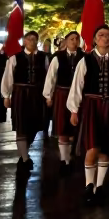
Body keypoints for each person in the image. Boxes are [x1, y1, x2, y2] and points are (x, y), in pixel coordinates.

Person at [68, 25, 109, 206]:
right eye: (101, 35)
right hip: (91, 106)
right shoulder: (85, 60)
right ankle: (89, 185)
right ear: (95, 39)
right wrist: (74, 109)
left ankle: (99, 187)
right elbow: (77, 85)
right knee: (92, 146)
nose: (105, 38)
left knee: (106, 148)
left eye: (108, 35)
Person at [1, 31, 48, 170]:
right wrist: (6, 96)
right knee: (21, 125)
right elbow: (8, 77)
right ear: (25, 41)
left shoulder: (44, 58)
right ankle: (25, 158)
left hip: (37, 94)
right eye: (29, 39)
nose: (32, 41)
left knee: (34, 126)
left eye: (34, 39)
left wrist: (48, 95)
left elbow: (49, 77)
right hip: (20, 94)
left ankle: (24, 153)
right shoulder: (15, 58)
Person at [41, 31, 84, 172]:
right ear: (66, 41)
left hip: (79, 95)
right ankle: (64, 160)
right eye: (72, 39)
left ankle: (70, 157)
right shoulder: (58, 57)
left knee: (75, 128)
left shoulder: (84, 57)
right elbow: (51, 77)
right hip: (62, 94)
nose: (74, 41)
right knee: (62, 128)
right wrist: (48, 96)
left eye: (77, 39)